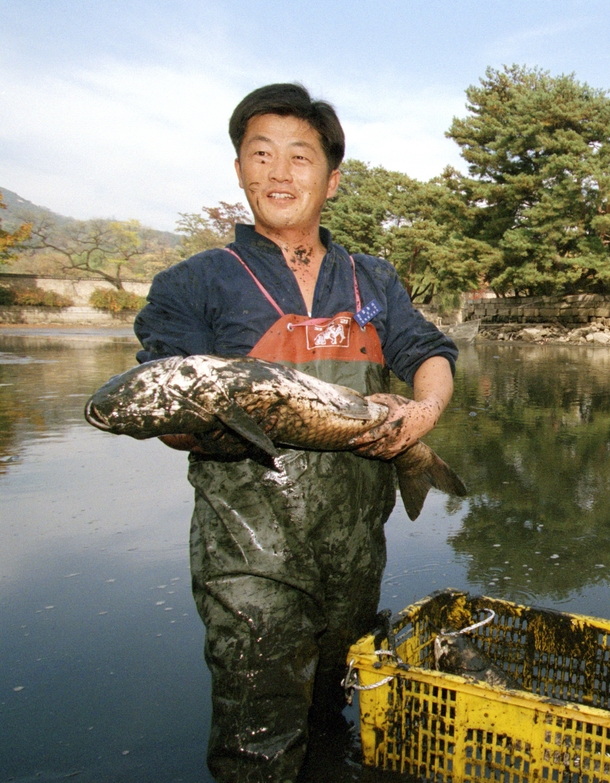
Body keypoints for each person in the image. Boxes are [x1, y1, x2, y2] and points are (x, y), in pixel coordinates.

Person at [133, 83, 458, 782]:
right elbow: (166, 408)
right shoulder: (192, 285)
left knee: (328, 716)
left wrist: (421, 414)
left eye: (300, 157)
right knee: (258, 743)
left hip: (353, 555)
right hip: (249, 557)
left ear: (332, 180)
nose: (279, 173)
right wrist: (201, 421)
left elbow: (429, 353)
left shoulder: (371, 277)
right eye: (261, 154)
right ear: (239, 168)